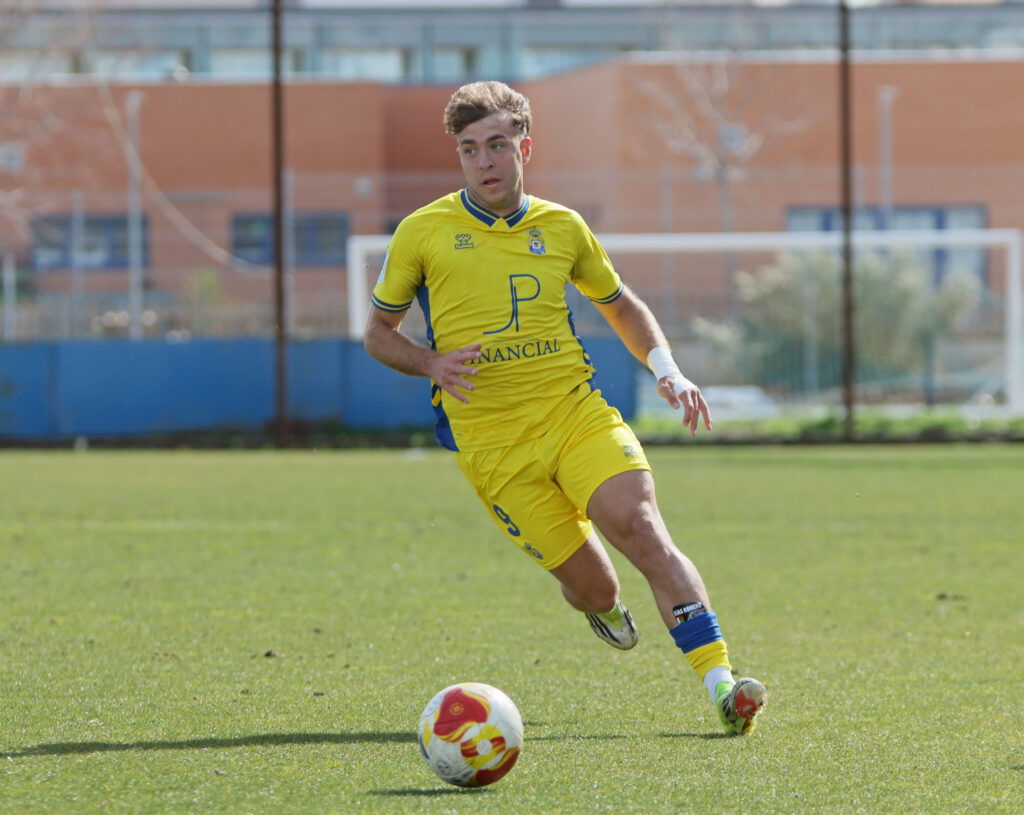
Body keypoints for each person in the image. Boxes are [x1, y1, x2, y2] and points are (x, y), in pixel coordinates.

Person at [363, 80, 766, 735]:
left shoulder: (562, 227)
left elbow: (622, 306)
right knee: (598, 586)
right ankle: (596, 605)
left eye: (497, 144)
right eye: (470, 149)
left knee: (641, 528)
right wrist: (432, 362)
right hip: (493, 445)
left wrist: (667, 370)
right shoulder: (423, 232)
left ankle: (724, 685)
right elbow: (378, 333)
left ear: (525, 145)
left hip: (574, 414)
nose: (485, 161)